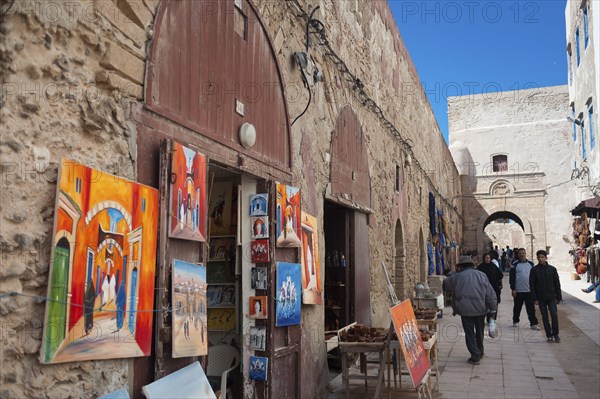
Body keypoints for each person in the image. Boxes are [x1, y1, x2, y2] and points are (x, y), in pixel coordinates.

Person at [444, 255, 497, 365]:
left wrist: (452, 273)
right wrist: (493, 308)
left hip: (465, 309)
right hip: (480, 309)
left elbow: (446, 284)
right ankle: (480, 351)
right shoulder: (482, 275)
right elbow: (490, 294)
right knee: (479, 332)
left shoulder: (458, 276)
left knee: (469, 333)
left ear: (461, 266)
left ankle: (475, 355)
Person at [529, 250, 562, 343]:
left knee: (554, 315)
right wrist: (534, 298)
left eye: (542, 257)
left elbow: (557, 283)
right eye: (539, 257)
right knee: (544, 316)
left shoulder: (552, 269)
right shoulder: (534, 270)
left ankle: (556, 334)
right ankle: (549, 335)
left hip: (551, 296)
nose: (540, 259)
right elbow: (532, 285)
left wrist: (558, 296)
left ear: (546, 258)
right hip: (541, 298)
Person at [509, 248, 540, 330]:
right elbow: (512, 277)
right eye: (520, 253)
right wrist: (513, 288)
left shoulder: (531, 264)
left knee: (531, 308)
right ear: (518, 254)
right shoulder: (514, 264)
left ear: (526, 254)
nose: (522, 254)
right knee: (517, 307)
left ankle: (533, 324)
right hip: (518, 290)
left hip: (529, 290)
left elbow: (534, 277)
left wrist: (535, 289)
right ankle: (515, 321)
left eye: (523, 253)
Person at [477, 253, 503, 322]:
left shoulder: (493, 266)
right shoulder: (480, 267)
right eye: (486, 258)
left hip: (494, 289)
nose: (487, 260)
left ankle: (492, 318)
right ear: (483, 259)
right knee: (484, 304)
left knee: (494, 304)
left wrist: (499, 283)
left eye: (488, 258)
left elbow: (500, 275)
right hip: (483, 289)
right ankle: (483, 318)